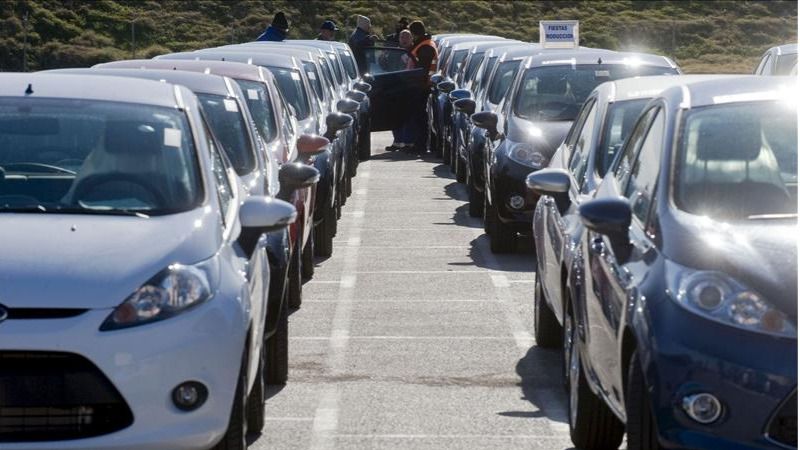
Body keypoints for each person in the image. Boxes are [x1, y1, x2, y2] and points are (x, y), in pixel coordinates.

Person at [407, 20, 438, 155]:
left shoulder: (425, 47)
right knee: (420, 116)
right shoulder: (424, 44)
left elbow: (422, 69)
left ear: (414, 33)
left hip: (422, 86)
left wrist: (417, 83)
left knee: (420, 116)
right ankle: (419, 143)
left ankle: (421, 144)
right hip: (422, 85)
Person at [386, 29, 416, 151]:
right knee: (395, 115)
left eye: (406, 37)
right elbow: (387, 67)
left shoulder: (414, 51)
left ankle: (408, 142)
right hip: (396, 87)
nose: (404, 40)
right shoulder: (395, 52)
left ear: (411, 39)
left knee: (409, 116)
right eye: (402, 37)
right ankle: (398, 141)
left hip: (409, 87)